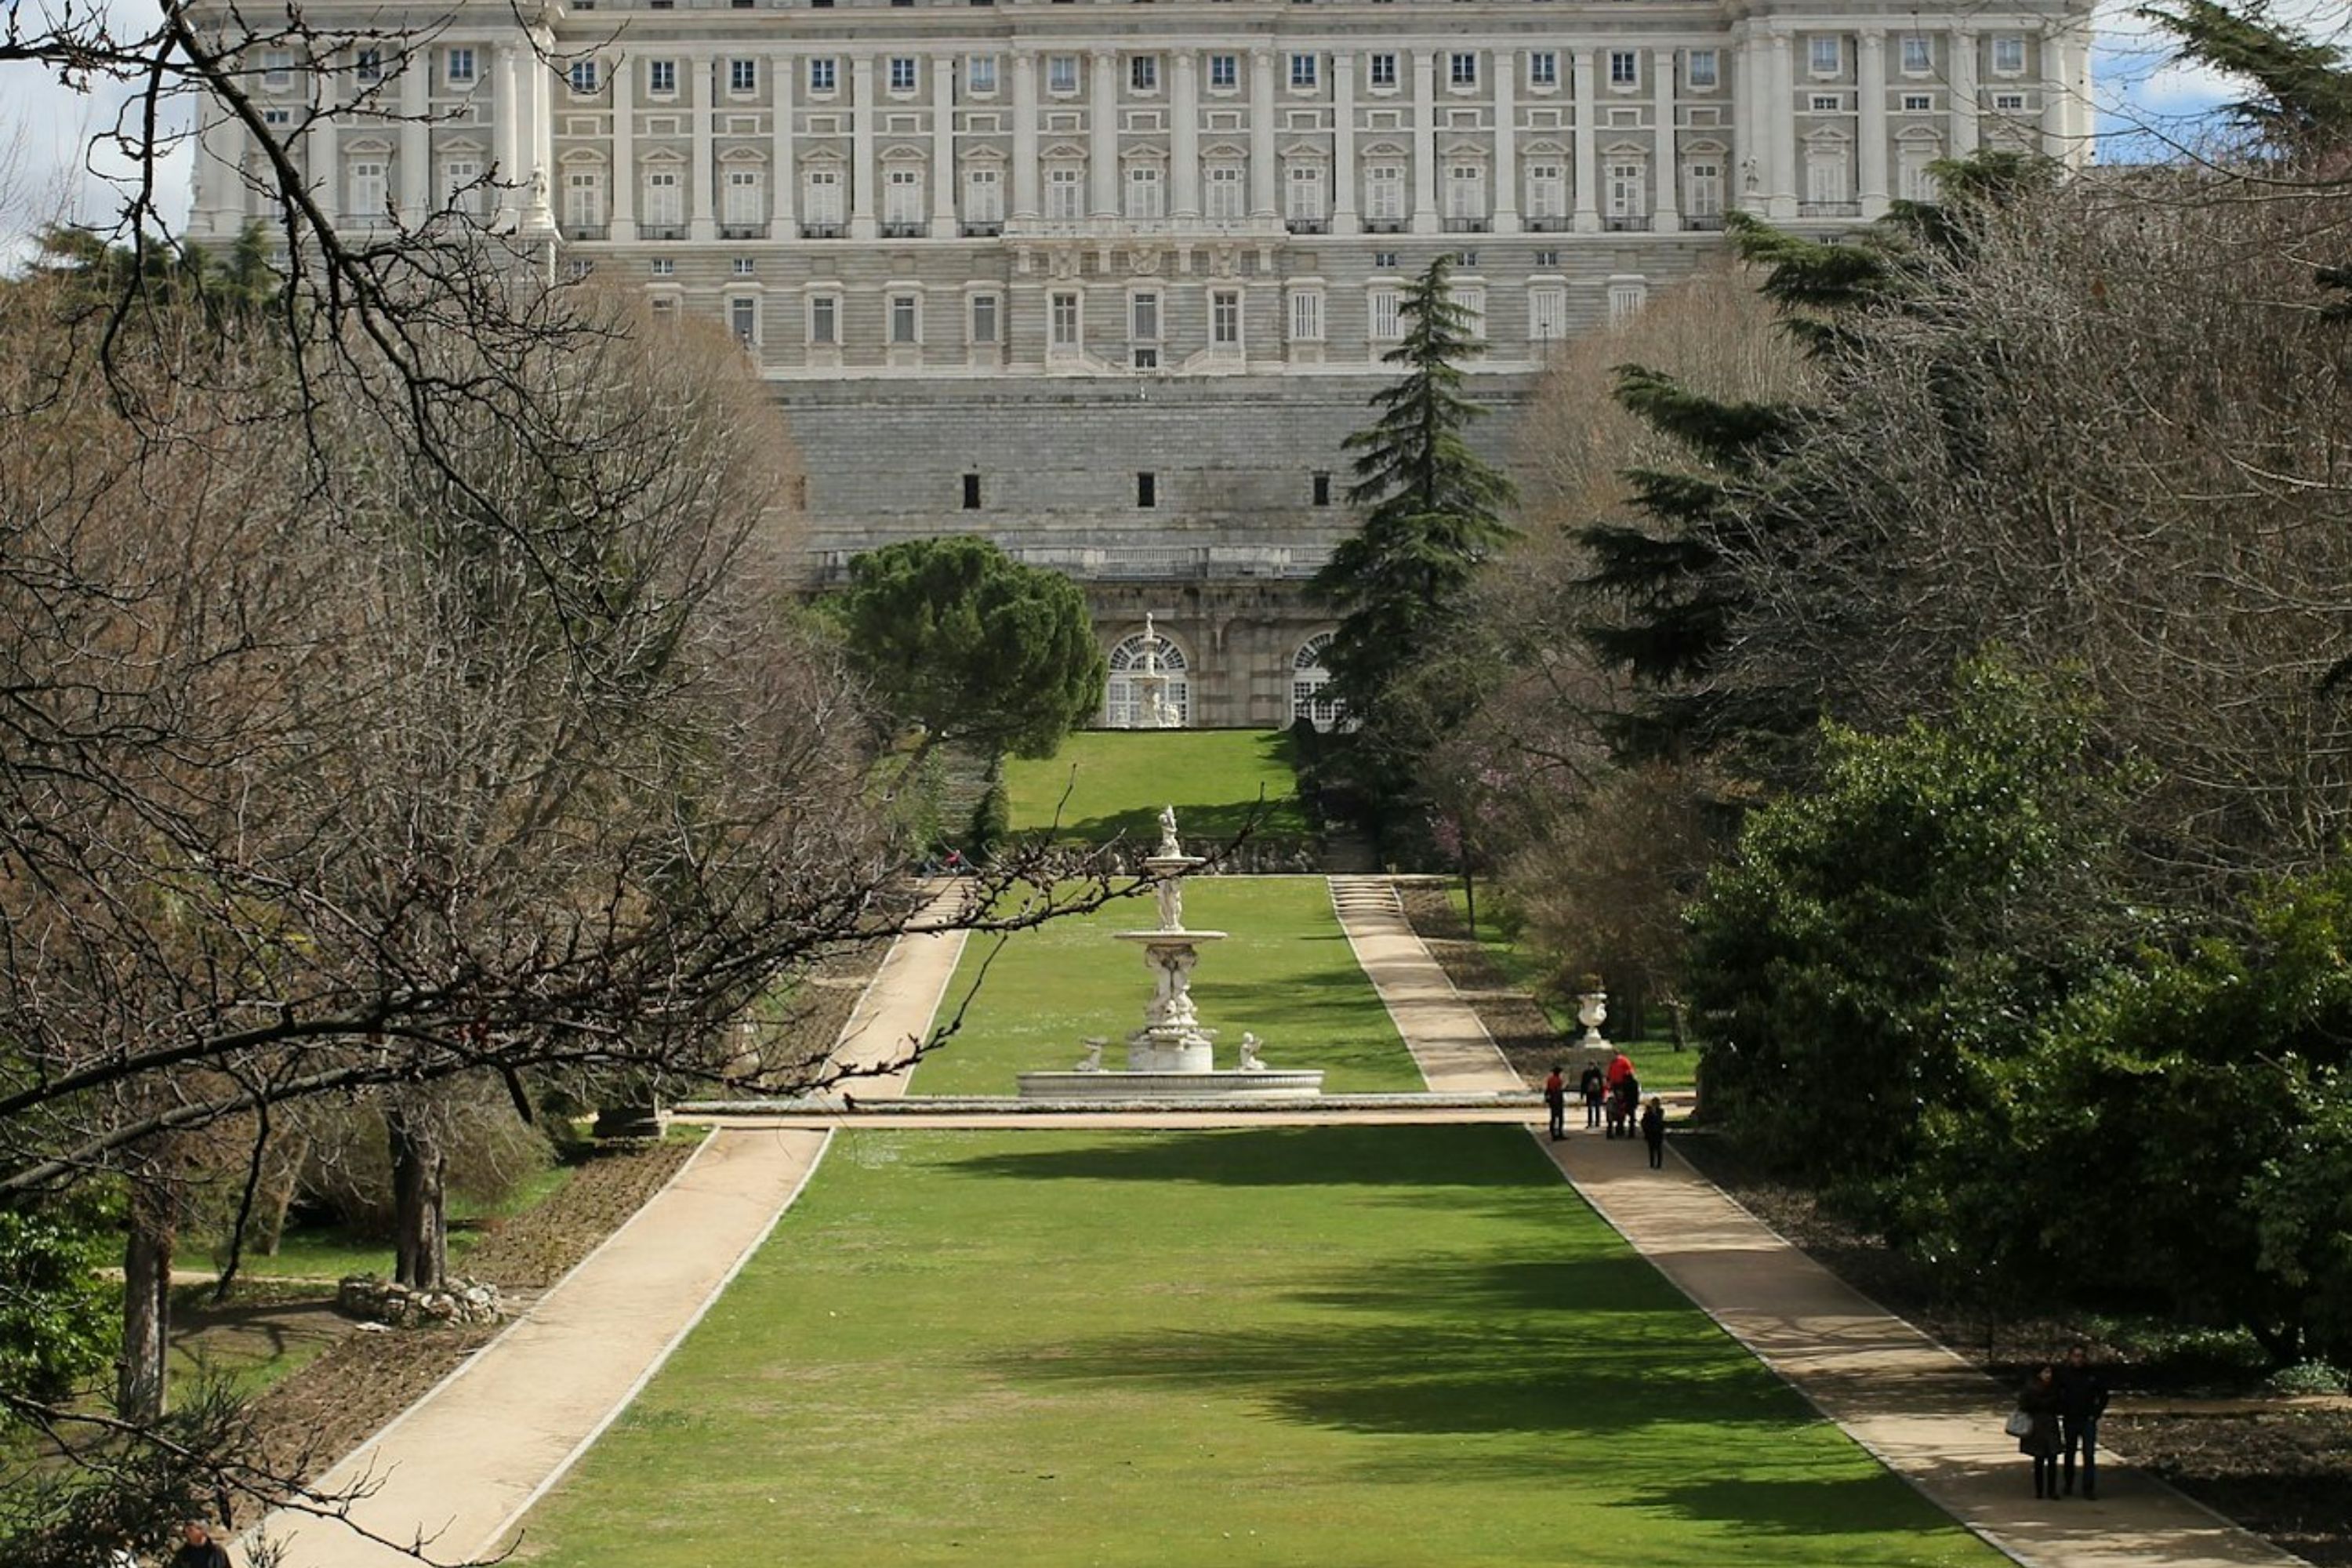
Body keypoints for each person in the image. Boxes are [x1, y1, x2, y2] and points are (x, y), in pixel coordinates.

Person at [2055, 1342, 2110, 1500]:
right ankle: (2068, 1484)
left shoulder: (2093, 1375)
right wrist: (2062, 1409)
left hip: (2087, 1419)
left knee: (2089, 1454)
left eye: (2081, 1356)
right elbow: (2057, 1393)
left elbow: (2103, 1396)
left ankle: (2088, 1488)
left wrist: (2096, 1413)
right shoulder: (2064, 1375)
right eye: (2076, 1356)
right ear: (2070, 1357)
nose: (2078, 1359)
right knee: (2069, 1453)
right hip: (2070, 1419)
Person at [2016, 1365, 2063, 1499]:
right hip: (2037, 1426)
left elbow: (2059, 1404)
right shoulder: (2030, 1388)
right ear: (2039, 1374)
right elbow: (2024, 1405)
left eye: (2050, 1372)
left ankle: (2052, 1490)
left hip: (2050, 1425)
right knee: (2039, 1459)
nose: (2048, 1375)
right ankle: (2039, 1490)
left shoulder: (2055, 1388)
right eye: (2046, 1372)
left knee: (2053, 1458)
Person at [1640, 1096, 1667, 1168]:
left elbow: (1660, 1120)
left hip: (1658, 1132)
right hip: (1651, 1132)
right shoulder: (1648, 1112)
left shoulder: (1660, 1111)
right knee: (1651, 1149)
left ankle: (1659, 1164)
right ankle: (1652, 1163)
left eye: (1657, 1103)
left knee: (1658, 1149)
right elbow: (1644, 1121)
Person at [1578, 1062, 1606, 1128]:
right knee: (1596, 1108)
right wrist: (1602, 1092)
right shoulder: (1598, 1072)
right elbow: (1601, 1083)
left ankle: (1591, 1123)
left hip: (1590, 1093)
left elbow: (1583, 1084)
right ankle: (1597, 1123)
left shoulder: (1586, 1073)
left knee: (1591, 1108)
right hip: (1596, 1092)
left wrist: (1582, 1094)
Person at [1543, 1066, 1567, 1141]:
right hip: (1558, 1099)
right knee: (1560, 1118)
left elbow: (1548, 1090)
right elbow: (1560, 1089)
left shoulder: (1550, 1080)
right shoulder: (1558, 1080)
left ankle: (1553, 1134)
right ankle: (1560, 1133)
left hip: (1552, 1100)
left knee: (1553, 1118)